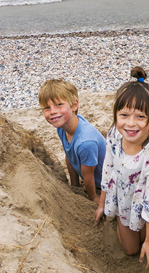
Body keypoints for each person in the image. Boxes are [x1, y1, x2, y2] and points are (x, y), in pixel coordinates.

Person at [95, 67, 149, 269]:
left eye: (140, 117)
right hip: (122, 199)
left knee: (146, 236)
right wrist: (103, 204)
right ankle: (120, 221)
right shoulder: (115, 134)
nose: (131, 124)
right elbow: (107, 168)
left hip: (143, 200)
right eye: (124, 115)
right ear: (116, 114)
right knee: (130, 250)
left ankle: (145, 234)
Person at [39, 79, 105, 207]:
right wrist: (74, 186)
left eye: (59, 105)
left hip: (106, 184)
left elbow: (89, 175)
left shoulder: (86, 142)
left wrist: (92, 198)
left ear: (74, 105)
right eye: (47, 108)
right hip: (90, 177)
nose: (52, 111)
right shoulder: (62, 127)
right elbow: (69, 156)